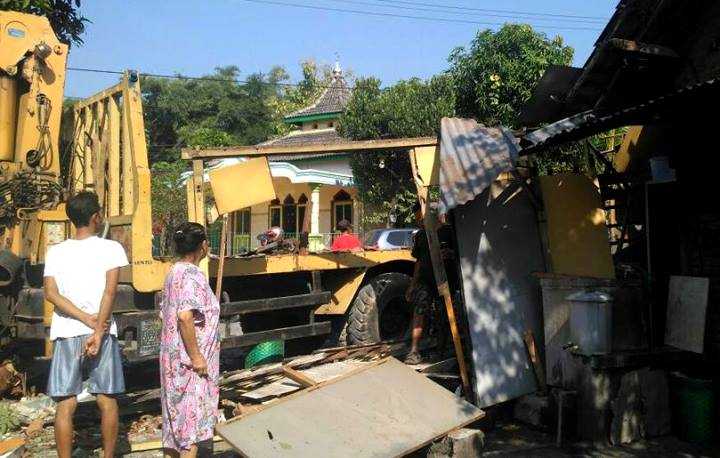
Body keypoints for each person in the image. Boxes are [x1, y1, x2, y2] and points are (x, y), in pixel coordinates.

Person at [44, 191, 129, 458]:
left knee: (66, 403)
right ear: (96, 217)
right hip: (102, 333)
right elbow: (110, 292)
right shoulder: (111, 248)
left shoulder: (55, 251)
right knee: (107, 399)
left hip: (67, 332)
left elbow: (52, 293)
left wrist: (83, 318)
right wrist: (97, 328)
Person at [160, 222, 220, 458]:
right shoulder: (192, 275)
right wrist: (197, 356)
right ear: (203, 246)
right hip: (189, 365)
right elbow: (185, 316)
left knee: (174, 426)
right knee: (189, 431)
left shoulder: (173, 272)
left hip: (173, 359)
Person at [404, 202, 456, 365]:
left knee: (444, 315)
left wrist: (451, 254)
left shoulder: (448, 232)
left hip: (445, 281)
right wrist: (413, 284)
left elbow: (461, 255)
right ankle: (414, 351)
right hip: (425, 281)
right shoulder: (420, 236)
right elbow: (419, 262)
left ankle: (442, 350)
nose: (419, 222)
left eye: (421, 218)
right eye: (417, 219)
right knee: (419, 312)